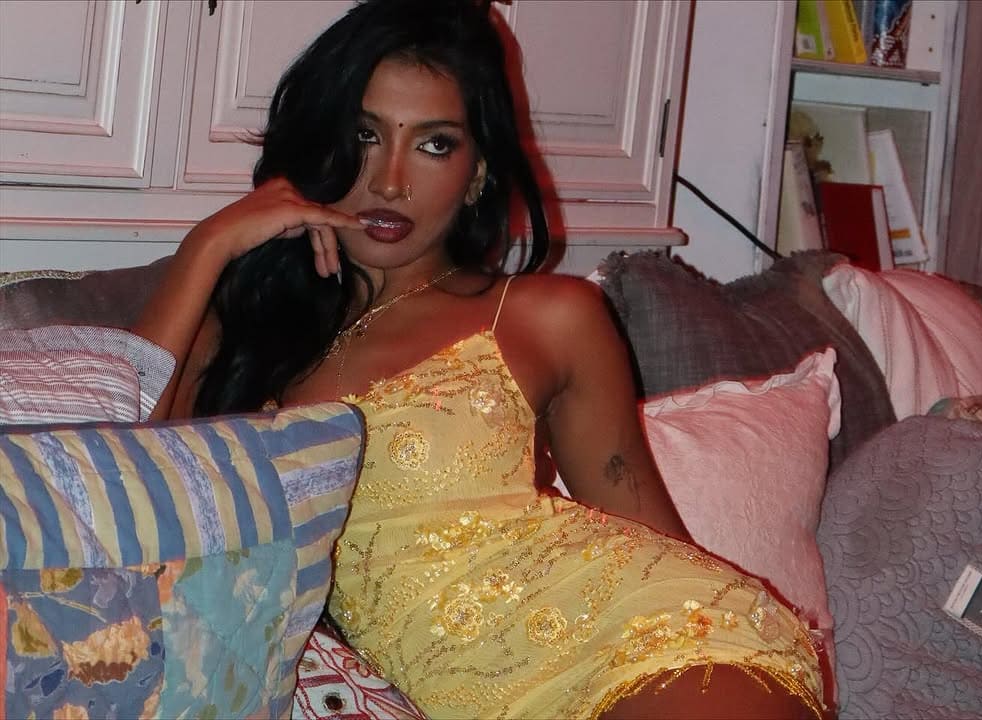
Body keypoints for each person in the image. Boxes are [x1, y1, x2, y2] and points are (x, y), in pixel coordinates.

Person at [135, 1, 827, 718]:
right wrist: (206, 247)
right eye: (365, 135)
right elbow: (101, 490)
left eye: (435, 145)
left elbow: (646, 530)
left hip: (654, 639)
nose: (391, 181)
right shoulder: (236, 330)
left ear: (477, 174)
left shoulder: (547, 316)